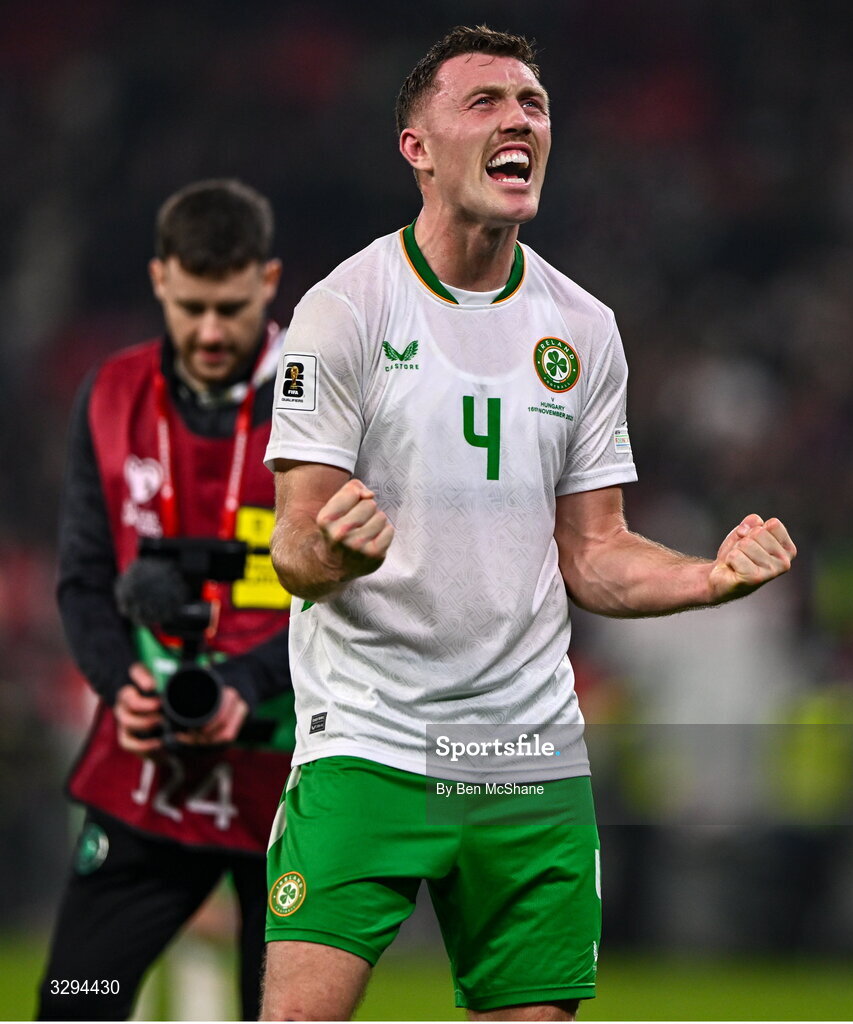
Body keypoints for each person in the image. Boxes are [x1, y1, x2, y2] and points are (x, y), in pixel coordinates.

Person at [260, 26, 797, 1023]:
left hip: (525, 754)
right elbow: (292, 545)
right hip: (368, 741)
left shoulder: (582, 328)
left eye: (533, 104)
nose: (519, 119)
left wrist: (706, 579)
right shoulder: (345, 310)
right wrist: (331, 548)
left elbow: (594, 553)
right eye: (486, 102)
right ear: (416, 147)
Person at [38, 179, 295, 1021]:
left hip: (293, 775)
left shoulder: (326, 394)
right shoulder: (111, 393)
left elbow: (367, 596)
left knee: (283, 1017)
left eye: (229, 305)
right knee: (76, 1003)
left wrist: (249, 683)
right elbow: (81, 577)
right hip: (152, 764)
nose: (211, 331)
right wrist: (123, 687)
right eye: (191, 306)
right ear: (158, 280)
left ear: (268, 281)